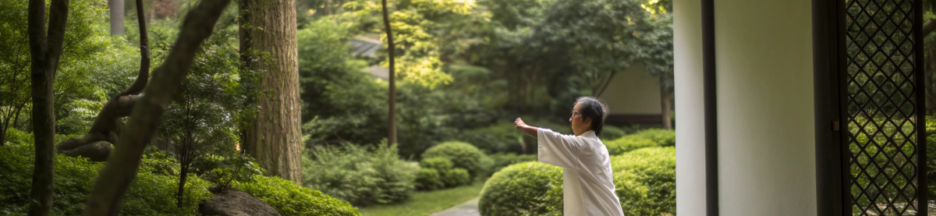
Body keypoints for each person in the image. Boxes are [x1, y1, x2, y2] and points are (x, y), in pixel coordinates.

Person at [514, 96, 625, 216]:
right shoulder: (597, 145)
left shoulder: (581, 145)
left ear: (587, 121)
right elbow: (555, 137)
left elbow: (553, 137)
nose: (570, 119)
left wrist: (524, 127)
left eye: (575, 114)